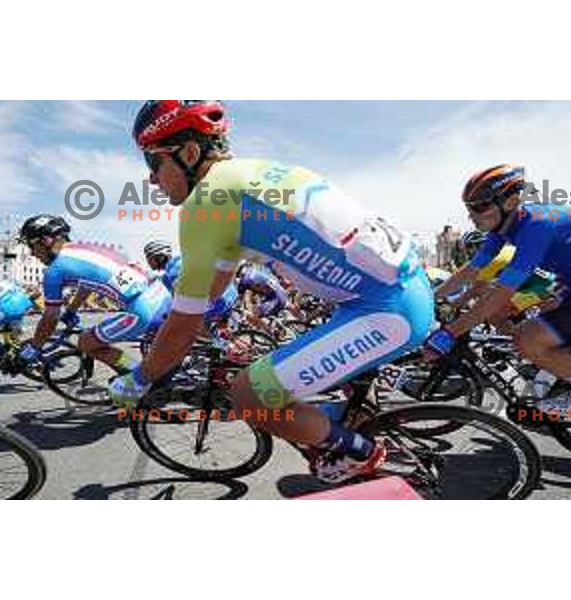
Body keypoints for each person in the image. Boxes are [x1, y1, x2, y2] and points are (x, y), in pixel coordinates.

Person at [109, 100, 434, 483]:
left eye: (153, 163)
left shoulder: (207, 204)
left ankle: (362, 454)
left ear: (190, 153)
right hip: (390, 295)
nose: (151, 180)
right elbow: (214, 289)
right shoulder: (255, 175)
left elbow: (186, 319)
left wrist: (139, 378)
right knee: (300, 391)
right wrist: (184, 326)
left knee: (248, 396)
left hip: (384, 312)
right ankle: (354, 431)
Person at [428, 164, 571, 413]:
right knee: (532, 332)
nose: (472, 215)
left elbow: (500, 293)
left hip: (567, 283)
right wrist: (430, 298)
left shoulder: (536, 224)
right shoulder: (503, 226)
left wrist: (452, 332)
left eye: (479, 207)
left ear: (510, 201)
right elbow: (471, 271)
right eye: (469, 208)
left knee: (527, 338)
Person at [15, 215, 172, 373]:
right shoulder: (84, 248)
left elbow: (50, 317)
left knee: (86, 342)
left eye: (31, 246)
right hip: (161, 295)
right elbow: (87, 286)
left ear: (46, 240)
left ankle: (141, 375)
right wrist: (71, 310)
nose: (33, 253)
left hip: (142, 310)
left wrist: (33, 349)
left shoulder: (54, 270)